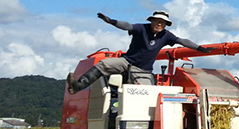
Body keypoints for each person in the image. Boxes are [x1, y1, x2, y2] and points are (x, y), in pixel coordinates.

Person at [66, 10, 212, 94]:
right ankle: (78, 86)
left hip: (143, 70)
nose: (159, 24)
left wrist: (200, 48)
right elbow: (127, 26)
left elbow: (182, 41)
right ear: (151, 21)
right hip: (127, 61)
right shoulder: (142, 28)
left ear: (165, 25)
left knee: (145, 93)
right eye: (157, 21)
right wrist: (112, 21)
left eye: (162, 22)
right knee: (103, 64)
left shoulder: (166, 35)